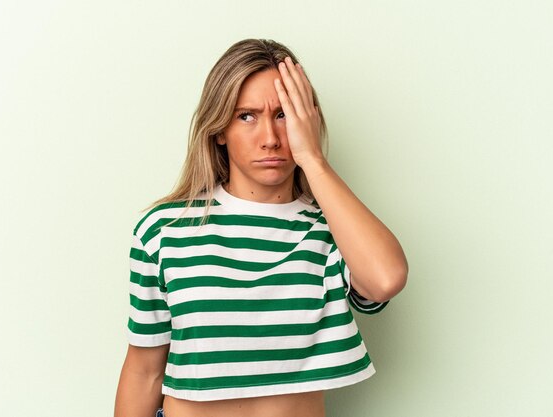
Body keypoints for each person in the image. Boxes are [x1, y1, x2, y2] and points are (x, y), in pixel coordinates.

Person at [114, 38, 408, 417]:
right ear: (219, 128)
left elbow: (386, 279)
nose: (270, 139)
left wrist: (312, 159)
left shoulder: (333, 230)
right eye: (246, 116)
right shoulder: (164, 230)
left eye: (284, 114)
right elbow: (143, 372)